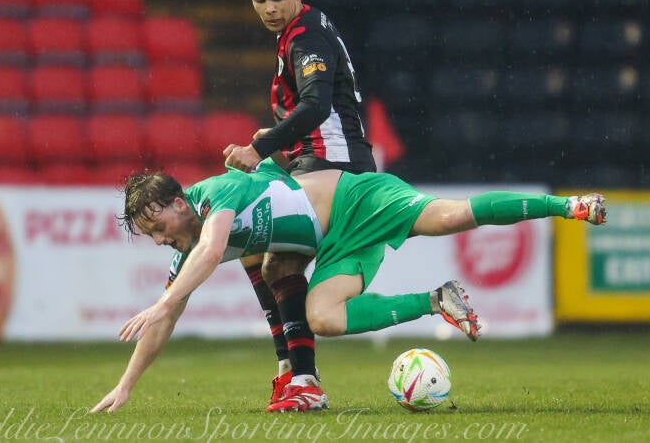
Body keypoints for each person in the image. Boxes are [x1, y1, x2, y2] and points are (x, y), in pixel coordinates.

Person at [90, 158, 606, 413]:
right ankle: (435, 299)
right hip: (337, 246)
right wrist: (126, 385)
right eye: (150, 235)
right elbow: (171, 315)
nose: (159, 240)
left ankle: (568, 205)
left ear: (179, 204)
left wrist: (163, 301)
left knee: (452, 217)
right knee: (323, 317)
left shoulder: (218, 197)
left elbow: (207, 253)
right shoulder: (190, 239)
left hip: (356, 200)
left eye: (158, 228)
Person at [222, 0, 379, 409]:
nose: (268, 9)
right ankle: (289, 369)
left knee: (279, 265)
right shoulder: (298, 30)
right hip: (309, 162)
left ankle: (305, 382)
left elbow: (316, 106)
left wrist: (261, 147)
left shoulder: (305, 36)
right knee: (248, 244)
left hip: (335, 168)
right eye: (258, 1)